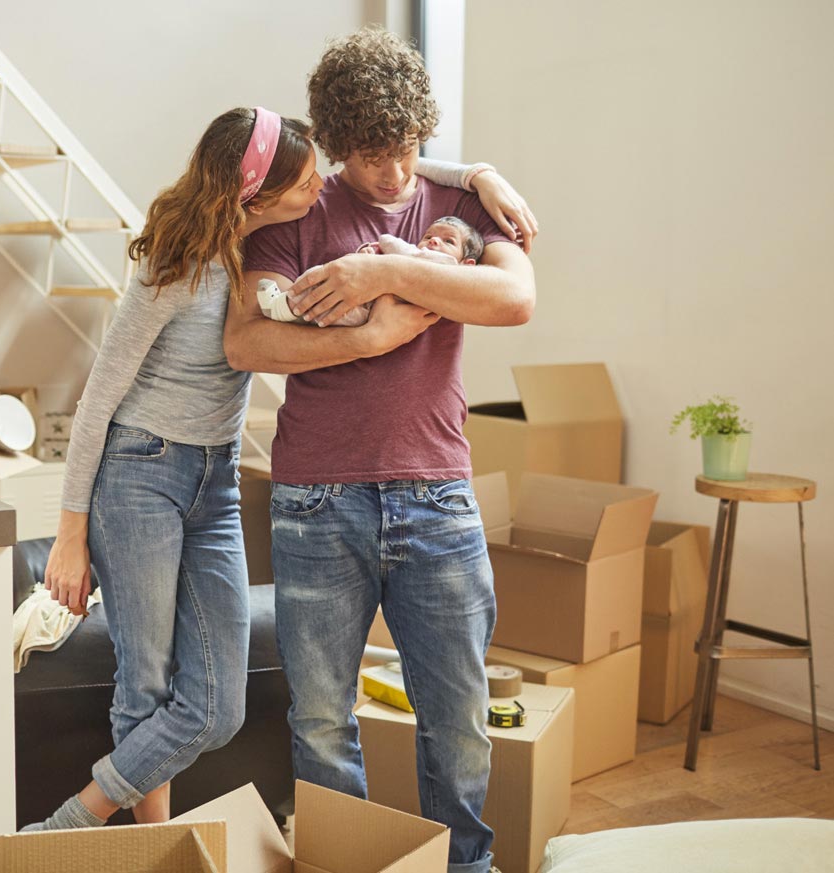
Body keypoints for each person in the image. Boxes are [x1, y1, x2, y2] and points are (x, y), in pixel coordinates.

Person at [29, 105, 535, 832]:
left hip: (218, 482)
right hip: (140, 470)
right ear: (253, 193)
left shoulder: (264, 244)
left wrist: (474, 174)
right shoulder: (175, 266)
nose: (320, 189)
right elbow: (99, 399)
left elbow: (387, 166)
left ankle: (84, 816)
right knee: (144, 683)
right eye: (303, 183)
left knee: (217, 706)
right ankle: (127, 842)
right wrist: (69, 533)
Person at [225, 28, 537, 873]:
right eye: (370, 158)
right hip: (315, 502)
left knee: (460, 716)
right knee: (322, 721)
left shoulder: (460, 207)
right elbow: (247, 344)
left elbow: (513, 298)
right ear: (335, 144)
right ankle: (344, 862)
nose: (393, 176)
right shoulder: (298, 212)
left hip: (437, 495)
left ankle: (462, 866)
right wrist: (368, 338)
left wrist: (378, 276)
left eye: (405, 153)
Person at [258, 216, 484, 324]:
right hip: (368, 302)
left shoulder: (446, 267)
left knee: (330, 303)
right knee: (325, 279)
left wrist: (384, 243)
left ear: (467, 264)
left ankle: (283, 308)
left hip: (370, 310)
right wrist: (369, 253)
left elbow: (398, 251)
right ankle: (285, 306)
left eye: (449, 241)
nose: (434, 241)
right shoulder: (418, 257)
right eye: (428, 236)